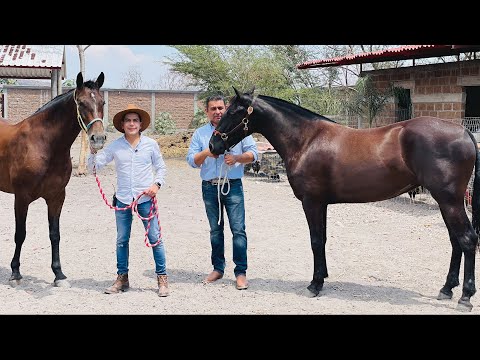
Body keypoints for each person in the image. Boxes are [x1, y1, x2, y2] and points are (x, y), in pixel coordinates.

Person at [88, 104, 169, 297]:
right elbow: (95, 166)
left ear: (140, 124)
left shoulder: (151, 144)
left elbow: (161, 168)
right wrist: (92, 151)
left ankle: (162, 278)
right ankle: (122, 278)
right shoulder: (115, 146)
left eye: (135, 120)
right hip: (123, 199)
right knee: (121, 240)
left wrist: (156, 184)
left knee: (155, 238)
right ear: (122, 125)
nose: (131, 124)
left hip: (145, 199)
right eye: (128, 120)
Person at [186, 95, 258, 290]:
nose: (217, 111)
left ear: (225, 109)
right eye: (213, 108)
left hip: (232, 185)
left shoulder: (239, 127)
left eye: (220, 108)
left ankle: (241, 272)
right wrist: (207, 153)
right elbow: (192, 160)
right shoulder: (200, 134)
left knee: (238, 230)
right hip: (210, 187)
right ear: (207, 111)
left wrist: (237, 158)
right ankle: (218, 268)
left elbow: (254, 153)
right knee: (215, 231)